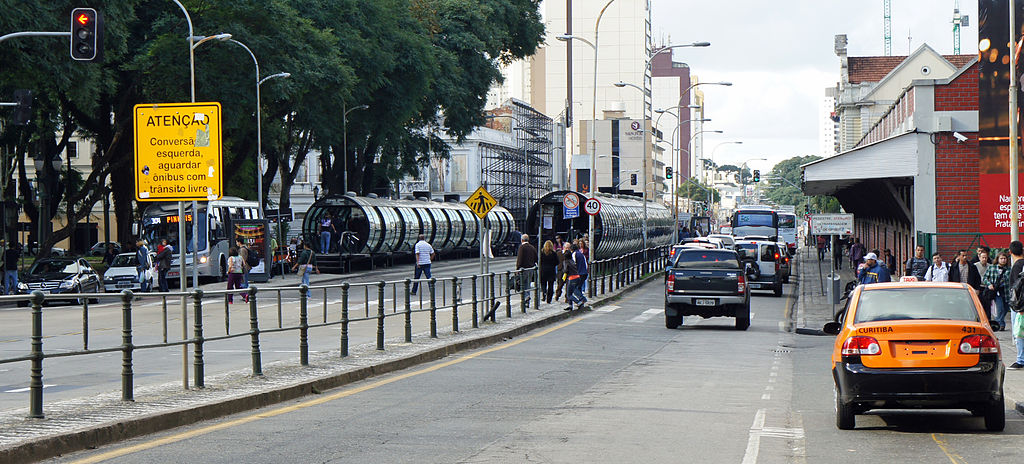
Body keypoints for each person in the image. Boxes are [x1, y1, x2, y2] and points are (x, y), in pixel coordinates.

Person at [983, 251, 1011, 331]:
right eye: (1001, 258)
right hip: (996, 291)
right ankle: (1000, 324)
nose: (1003, 260)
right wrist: (989, 284)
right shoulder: (992, 267)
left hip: (1006, 291)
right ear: (998, 259)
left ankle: (999, 322)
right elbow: (985, 278)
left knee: (1006, 308)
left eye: (1004, 258)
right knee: (1000, 308)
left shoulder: (1009, 269)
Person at [1008, 240, 1024, 369]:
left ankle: (1020, 360)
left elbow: (1017, 289)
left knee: (1019, 332)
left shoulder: (1017, 266)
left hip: (1019, 306)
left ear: (1010, 252)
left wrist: (1019, 307)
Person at [564, 243, 588, 310]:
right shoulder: (581, 254)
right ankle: (581, 303)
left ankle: (582, 299)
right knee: (578, 287)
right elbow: (586, 263)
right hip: (584, 273)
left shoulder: (574, 254)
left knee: (574, 289)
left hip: (577, 274)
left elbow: (573, 264)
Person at [516, 234, 538, 304]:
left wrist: (517, 268)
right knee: (527, 284)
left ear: (522, 240)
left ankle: (526, 297)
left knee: (521, 284)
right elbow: (536, 258)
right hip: (531, 269)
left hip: (523, 269)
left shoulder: (521, 247)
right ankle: (527, 299)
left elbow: (520, 258)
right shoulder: (532, 247)